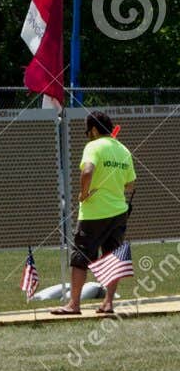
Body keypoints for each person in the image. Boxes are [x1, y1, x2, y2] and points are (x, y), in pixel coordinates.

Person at [53, 110, 135, 317]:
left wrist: (84, 193)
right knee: (112, 257)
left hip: (93, 213)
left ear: (95, 129)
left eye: (88, 131)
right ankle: (108, 303)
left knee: (80, 257)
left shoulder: (93, 146)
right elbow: (130, 184)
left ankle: (74, 304)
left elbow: (87, 171)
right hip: (119, 212)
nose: (88, 135)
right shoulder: (123, 150)